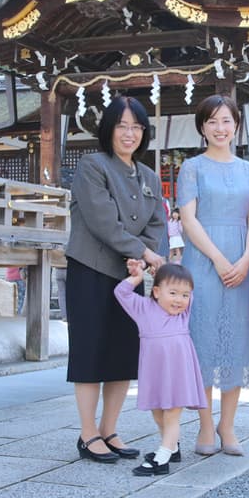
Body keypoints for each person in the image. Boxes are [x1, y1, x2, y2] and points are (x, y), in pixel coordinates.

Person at [65, 95, 167, 464]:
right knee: (91, 351)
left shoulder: (149, 176)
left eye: (137, 127)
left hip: (130, 274)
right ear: (108, 128)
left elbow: (156, 222)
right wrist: (143, 254)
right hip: (91, 270)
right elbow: (102, 220)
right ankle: (87, 432)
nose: (129, 133)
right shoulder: (93, 166)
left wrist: (141, 256)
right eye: (122, 125)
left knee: (123, 354)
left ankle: (110, 429)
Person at [177, 94, 249, 456]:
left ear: (236, 125)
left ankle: (228, 425)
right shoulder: (192, 167)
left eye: (226, 120)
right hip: (202, 260)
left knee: (236, 342)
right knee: (203, 342)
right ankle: (204, 425)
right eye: (212, 121)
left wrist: (245, 258)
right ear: (202, 127)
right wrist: (216, 257)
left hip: (241, 260)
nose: (220, 128)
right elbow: (188, 217)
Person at [114, 259, 207, 476]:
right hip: (155, 371)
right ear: (156, 291)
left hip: (178, 372)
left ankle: (162, 458)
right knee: (158, 413)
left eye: (185, 295)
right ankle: (172, 448)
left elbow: (186, 290)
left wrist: (169, 266)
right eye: (173, 293)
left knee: (172, 415)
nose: (179, 300)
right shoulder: (143, 308)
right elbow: (121, 292)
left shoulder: (183, 314)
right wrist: (137, 277)